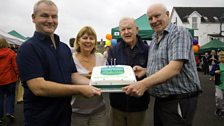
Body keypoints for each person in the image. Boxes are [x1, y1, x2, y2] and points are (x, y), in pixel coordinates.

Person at [16, 1, 100, 126]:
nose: (50, 20)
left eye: (54, 16)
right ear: (33, 18)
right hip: (41, 119)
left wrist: (99, 83)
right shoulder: (28, 48)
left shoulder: (64, 47)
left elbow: (72, 75)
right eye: (45, 15)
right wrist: (80, 89)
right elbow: (39, 87)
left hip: (64, 115)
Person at [123, 3, 202, 126]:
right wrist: (146, 70)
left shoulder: (179, 33)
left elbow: (174, 68)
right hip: (162, 100)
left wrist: (143, 84)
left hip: (179, 99)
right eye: (150, 18)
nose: (154, 21)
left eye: (157, 16)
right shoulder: (155, 37)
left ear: (167, 14)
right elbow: (163, 64)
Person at [107, 17, 150, 126]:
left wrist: (146, 71)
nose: (126, 32)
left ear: (137, 29)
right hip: (117, 105)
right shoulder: (114, 50)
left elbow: (155, 71)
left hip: (138, 105)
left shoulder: (147, 50)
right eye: (123, 29)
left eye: (129, 28)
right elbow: (108, 72)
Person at [71, 26, 107, 126]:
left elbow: (106, 77)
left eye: (91, 38)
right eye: (85, 38)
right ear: (78, 41)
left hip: (99, 111)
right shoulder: (71, 59)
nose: (88, 41)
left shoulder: (100, 57)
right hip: (76, 112)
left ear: (95, 42)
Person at [0, 38, 18, 124]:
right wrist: (19, 74)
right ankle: (9, 112)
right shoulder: (11, 53)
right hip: (10, 79)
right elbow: (15, 66)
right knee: (10, 96)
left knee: (0, 99)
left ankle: (0, 117)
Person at [210, 51, 224, 117]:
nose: (222, 58)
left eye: (223, 57)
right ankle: (218, 108)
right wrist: (215, 71)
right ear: (218, 58)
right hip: (219, 84)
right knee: (219, 97)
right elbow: (211, 72)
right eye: (221, 57)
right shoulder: (216, 65)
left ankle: (222, 110)